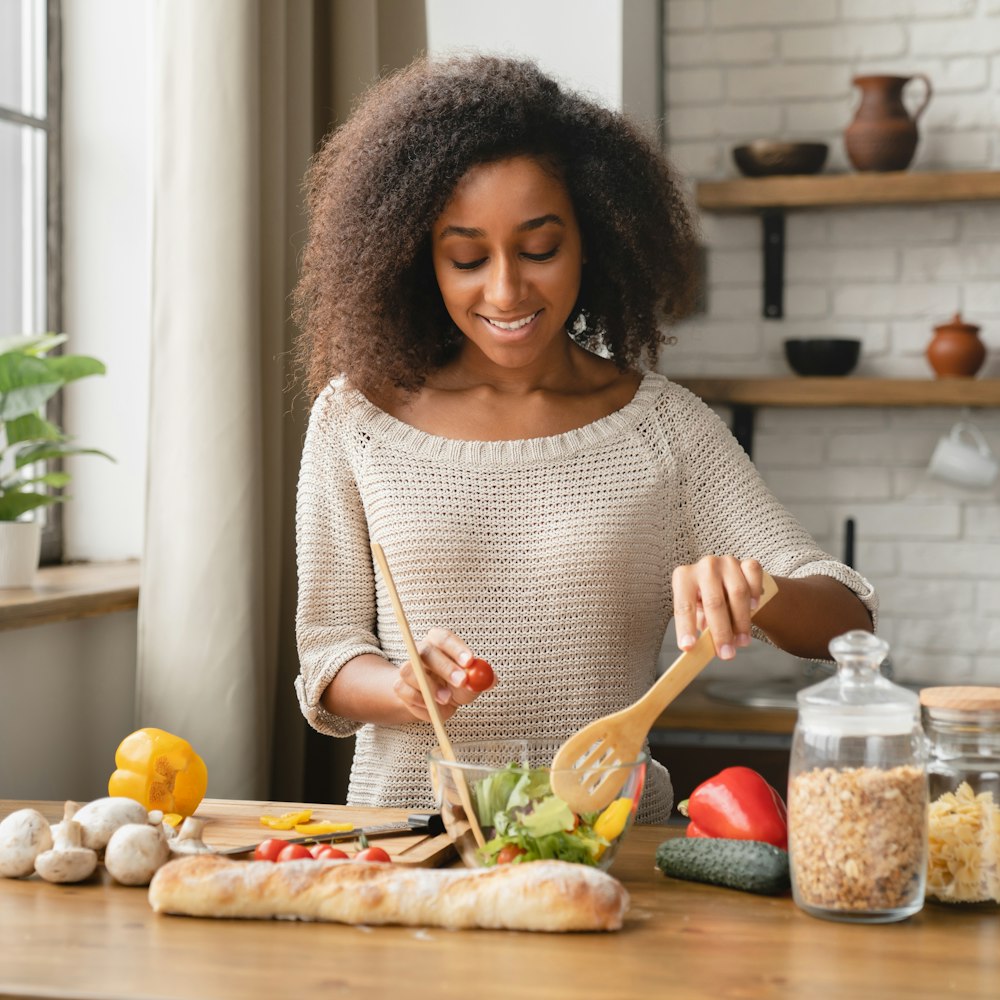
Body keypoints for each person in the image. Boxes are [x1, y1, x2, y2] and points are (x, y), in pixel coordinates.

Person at [291, 54, 876, 823]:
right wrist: (400, 687)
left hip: (613, 848)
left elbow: (848, 618)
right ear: (416, 257)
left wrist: (757, 588)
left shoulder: (662, 429)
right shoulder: (356, 417)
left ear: (593, 236)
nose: (505, 292)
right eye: (466, 257)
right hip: (410, 844)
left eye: (539, 250)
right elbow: (325, 659)